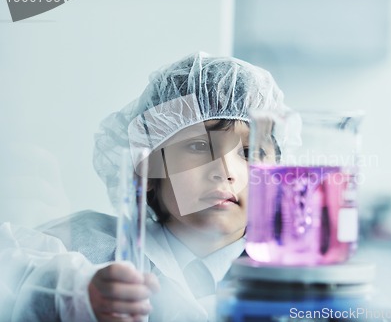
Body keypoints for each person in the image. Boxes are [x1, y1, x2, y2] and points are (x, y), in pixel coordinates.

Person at [0, 52, 286, 321]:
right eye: (199, 146)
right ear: (146, 169)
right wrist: (71, 296)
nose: (226, 173)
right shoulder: (83, 250)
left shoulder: (299, 275)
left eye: (249, 154)